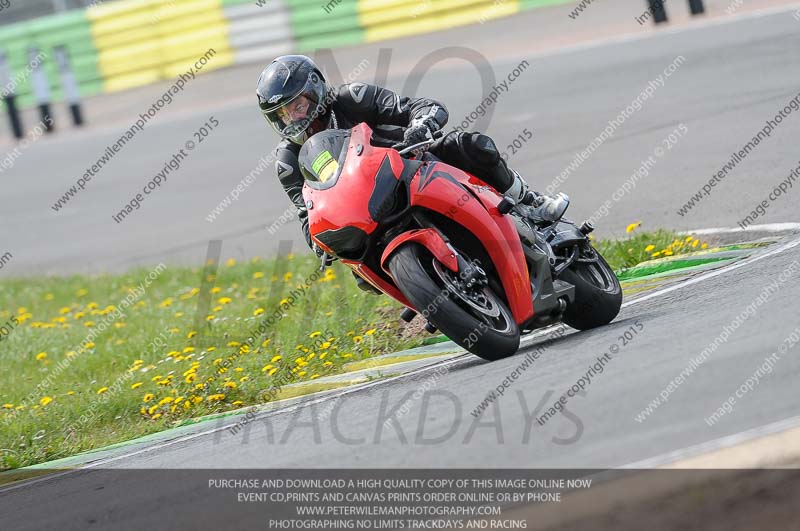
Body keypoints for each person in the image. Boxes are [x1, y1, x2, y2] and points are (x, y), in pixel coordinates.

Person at [256, 55, 568, 292]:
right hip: (366, 214)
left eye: (296, 107)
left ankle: (529, 202)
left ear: (315, 90)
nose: (291, 119)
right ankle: (429, 292)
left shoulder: (353, 98)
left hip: (411, 166)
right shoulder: (288, 161)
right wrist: (316, 241)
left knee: (471, 146)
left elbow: (420, 106)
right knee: (361, 274)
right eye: (280, 115)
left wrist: (420, 126)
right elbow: (305, 212)